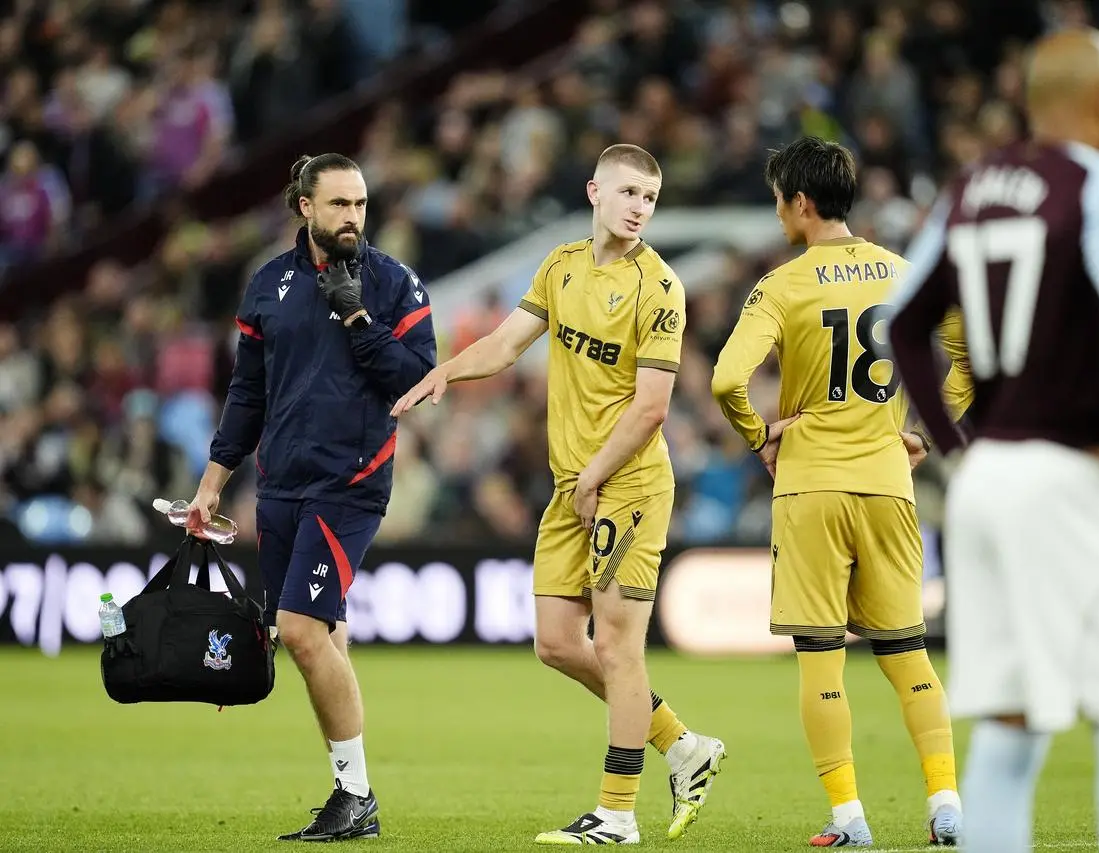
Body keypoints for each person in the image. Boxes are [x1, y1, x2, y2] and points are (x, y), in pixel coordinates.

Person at [887, 27, 1099, 853]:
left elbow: (902, 326)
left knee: (1008, 735)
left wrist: (958, 444)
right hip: (1078, 482)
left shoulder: (968, 186)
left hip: (988, 483)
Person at [391, 144, 726, 846]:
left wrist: (597, 474)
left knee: (616, 646)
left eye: (650, 199)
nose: (639, 208)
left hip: (626, 482)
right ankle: (684, 745)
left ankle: (617, 814)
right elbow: (510, 342)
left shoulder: (660, 288)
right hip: (574, 485)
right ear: (594, 190)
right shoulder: (561, 265)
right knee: (553, 643)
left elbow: (652, 408)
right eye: (629, 193)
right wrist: (447, 371)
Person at [710, 136, 970, 848]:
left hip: (811, 488)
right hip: (888, 484)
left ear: (799, 202)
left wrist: (757, 434)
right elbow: (971, 350)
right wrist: (920, 430)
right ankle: (945, 802)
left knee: (821, 657)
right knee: (907, 653)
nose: (776, 211)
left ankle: (849, 817)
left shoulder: (783, 284)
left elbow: (726, 380)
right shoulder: (902, 273)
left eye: (777, 199)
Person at [191, 153, 437, 842]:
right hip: (280, 483)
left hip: (351, 482)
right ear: (305, 207)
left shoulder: (392, 284)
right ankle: (350, 792)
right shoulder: (268, 284)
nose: (353, 217)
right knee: (323, 635)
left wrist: (360, 321)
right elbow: (248, 393)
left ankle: (354, 795)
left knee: (298, 630)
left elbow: (416, 380)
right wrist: (214, 481)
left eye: (360, 204)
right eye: (339, 205)